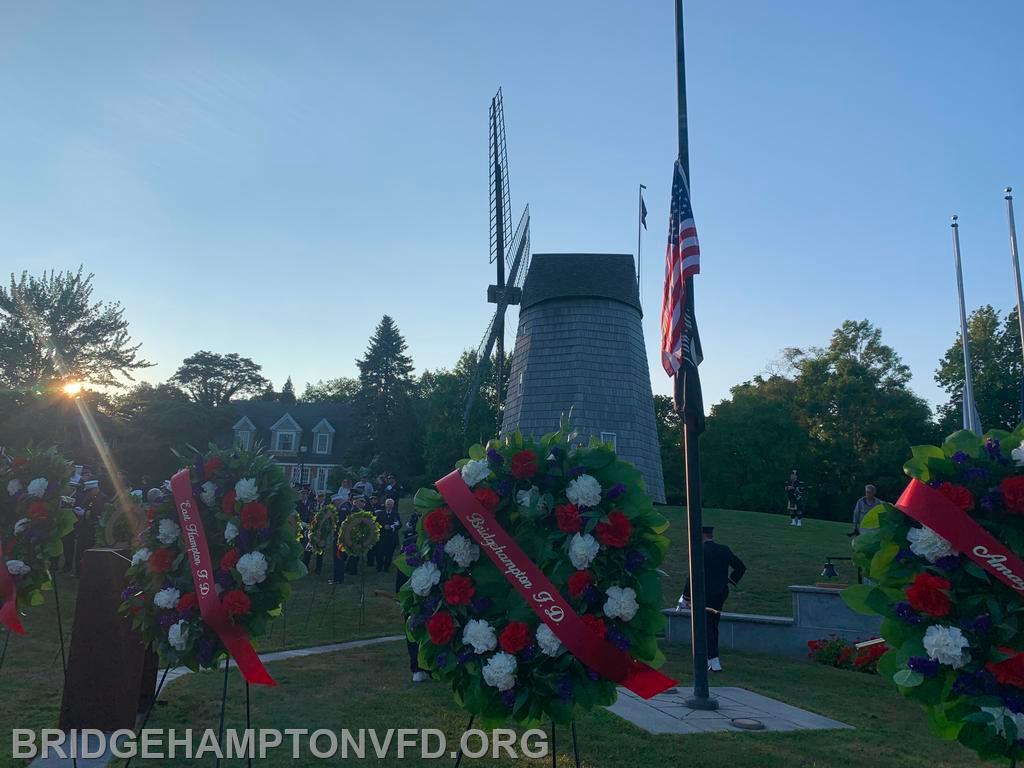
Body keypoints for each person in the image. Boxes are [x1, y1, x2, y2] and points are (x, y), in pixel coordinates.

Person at [681, 525, 746, 673]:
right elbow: (741, 567)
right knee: (712, 625)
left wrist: (686, 596)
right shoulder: (724, 549)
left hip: (703, 594)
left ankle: (710, 659)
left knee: (703, 626)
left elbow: (692, 575)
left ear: (701, 536)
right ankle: (712, 659)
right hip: (720, 593)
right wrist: (730, 580)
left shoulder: (699, 551)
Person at [396, 507, 426, 682]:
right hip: (412, 593)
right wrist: (399, 595)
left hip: (432, 595)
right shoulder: (409, 544)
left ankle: (426, 666)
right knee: (412, 629)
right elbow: (402, 571)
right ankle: (416, 667)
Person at [373, 498, 401, 572]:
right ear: (385, 505)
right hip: (382, 537)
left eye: (391, 504)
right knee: (380, 553)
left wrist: (392, 526)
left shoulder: (396, 514)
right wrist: (383, 526)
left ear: (393, 505)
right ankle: (379, 567)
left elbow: (400, 525)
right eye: (388, 504)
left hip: (391, 537)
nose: (389, 506)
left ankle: (386, 568)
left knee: (389, 554)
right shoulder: (381, 514)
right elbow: (376, 524)